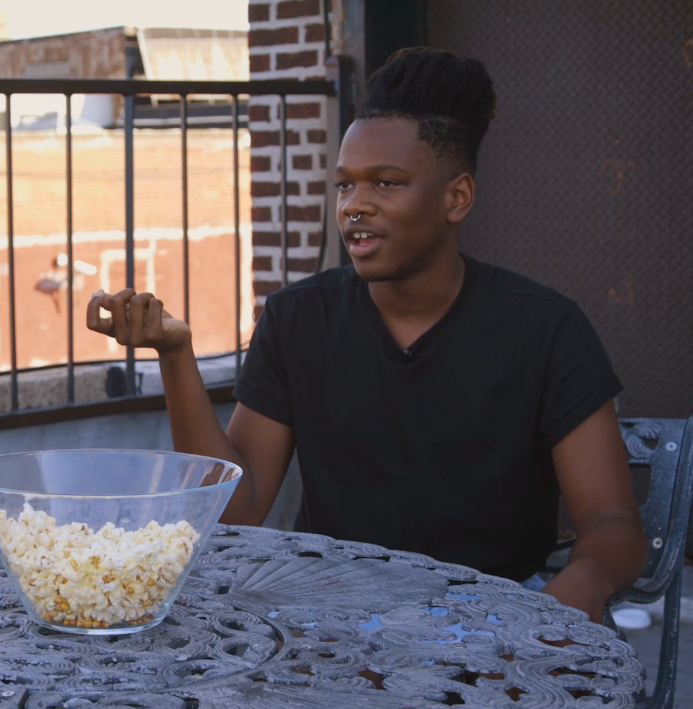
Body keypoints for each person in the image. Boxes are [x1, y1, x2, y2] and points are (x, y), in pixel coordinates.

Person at [87, 48, 645, 623]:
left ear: (457, 197)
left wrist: (577, 589)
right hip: (334, 620)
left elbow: (614, 525)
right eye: (345, 186)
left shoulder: (545, 329)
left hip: (496, 618)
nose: (356, 206)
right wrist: (177, 355)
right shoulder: (297, 320)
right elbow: (238, 509)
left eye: (386, 182)